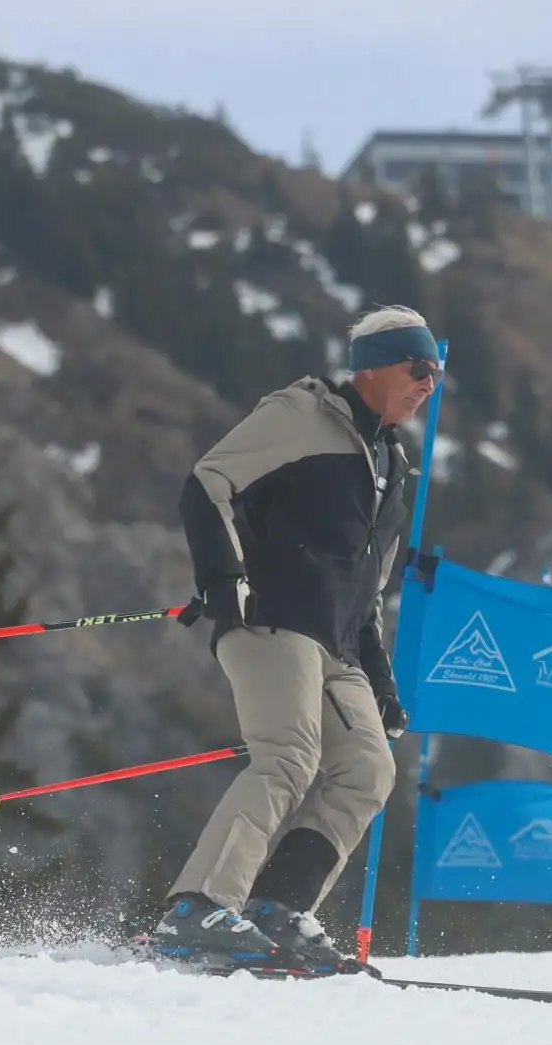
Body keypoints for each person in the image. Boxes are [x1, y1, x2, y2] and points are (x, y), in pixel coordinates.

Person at [155, 305, 443, 971]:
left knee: (368, 769)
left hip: (336, 644)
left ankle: (278, 910)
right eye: (418, 368)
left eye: (435, 373)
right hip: (272, 618)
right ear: (373, 367)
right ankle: (198, 907)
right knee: (288, 756)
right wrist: (223, 576)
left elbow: (367, 590)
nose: (428, 383)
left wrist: (380, 682)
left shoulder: (392, 465)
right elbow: (207, 482)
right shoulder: (302, 414)